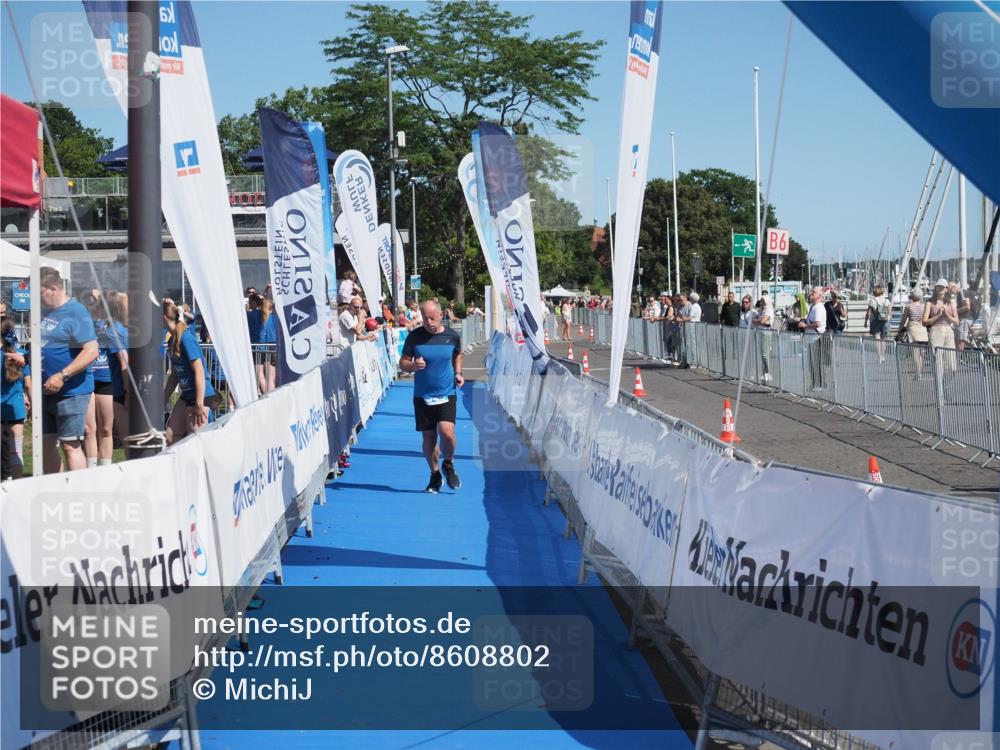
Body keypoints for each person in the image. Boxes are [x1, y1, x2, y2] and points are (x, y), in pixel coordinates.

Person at [399, 300, 464, 493]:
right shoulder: (414, 337)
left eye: (432, 318)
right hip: (423, 395)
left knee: (447, 433)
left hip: (446, 391)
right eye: (424, 317)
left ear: (441, 314)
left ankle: (449, 463)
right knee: (429, 438)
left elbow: (458, 354)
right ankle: (435, 474)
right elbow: (403, 362)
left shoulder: (452, 336)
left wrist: (458, 372)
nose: (428, 321)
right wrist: (412, 366)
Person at [39, 268, 98, 472]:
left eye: (39, 293)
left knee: (70, 445)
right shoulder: (44, 312)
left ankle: (78, 493)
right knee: (44, 444)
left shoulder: (76, 312)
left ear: (53, 289)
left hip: (71, 392)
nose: (36, 299)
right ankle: (52, 490)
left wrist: (62, 375)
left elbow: (91, 350)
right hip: (44, 391)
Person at [163, 301, 217, 444]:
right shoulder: (172, 341)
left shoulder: (186, 338)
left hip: (201, 395)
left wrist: (199, 403)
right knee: (170, 435)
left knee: (195, 441)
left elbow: (199, 371)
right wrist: (164, 398)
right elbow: (175, 374)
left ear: (163, 319)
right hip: (187, 395)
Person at [81, 290, 116, 467]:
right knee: (88, 429)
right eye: (89, 300)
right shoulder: (82, 323)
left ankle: (105, 469)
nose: (92, 304)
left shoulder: (110, 323)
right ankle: (90, 471)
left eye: (95, 300)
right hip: (86, 378)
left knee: (106, 429)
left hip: (105, 378)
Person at [1, 317, 30, 479]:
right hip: (16, 407)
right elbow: (28, 382)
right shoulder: (21, 355)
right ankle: (16, 486)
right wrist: (29, 399)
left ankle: (6, 481)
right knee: (16, 452)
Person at [106, 291, 129, 444]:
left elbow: (124, 363)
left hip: (121, 390)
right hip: (130, 388)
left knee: (128, 439)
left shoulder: (112, 332)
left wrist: (128, 393)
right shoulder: (129, 329)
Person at [923, 281, 958, 377]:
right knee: (938, 363)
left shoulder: (951, 302)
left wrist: (947, 315)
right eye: (938, 287)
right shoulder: (930, 303)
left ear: (946, 289)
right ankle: (939, 388)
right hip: (936, 330)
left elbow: (957, 321)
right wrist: (938, 316)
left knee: (952, 366)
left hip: (948, 330)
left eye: (942, 287)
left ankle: (945, 383)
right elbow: (924, 322)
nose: (940, 289)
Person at [799, 287, 827, 390]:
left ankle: (818, 384)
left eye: (814, 292)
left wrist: (804, 326)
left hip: (816, 338)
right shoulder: (814, 307)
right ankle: (816, 383)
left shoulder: (819, 307)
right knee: (812, 362)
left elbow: (817, 323)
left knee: (815, 362)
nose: (811, 293)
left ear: (819, 295)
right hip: (811, 339)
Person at [895, 289, 928, 377]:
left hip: (913, 329)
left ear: (912, 296)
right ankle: (920, 370)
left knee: (915, 352)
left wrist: (899, 332)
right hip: (923, 330)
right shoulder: (924, 306)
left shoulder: (909, 306)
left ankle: (919, 373)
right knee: (922, 352)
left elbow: (903, 320)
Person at [864, 286, 890, 362]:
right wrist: (889, 321)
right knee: (883, 339)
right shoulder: (886, 301)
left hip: (875, 321)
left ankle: (880, 357)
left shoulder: (872, 300)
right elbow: (889, 312)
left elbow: (868, 313)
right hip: (884, 321)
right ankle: (883, 355)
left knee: (877, 338)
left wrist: (865, 322)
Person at [258, 298, 277, 394]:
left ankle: (271, 395)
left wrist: (261, 349)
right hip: (277, 346)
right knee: (273, 375)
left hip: (268, 347)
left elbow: (262, 336)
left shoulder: (265, 319)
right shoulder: (276, 318)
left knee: (268, 375)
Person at [950, 281, 973, 351]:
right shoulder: (958, 294)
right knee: (958, 340)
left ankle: (958, 359)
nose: (950, 292)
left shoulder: (962, 292)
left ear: (954, 287)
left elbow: (967, 307)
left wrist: (955, 311)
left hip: (964, 319)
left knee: (960, 341)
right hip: (963, 319)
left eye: (950, 289)